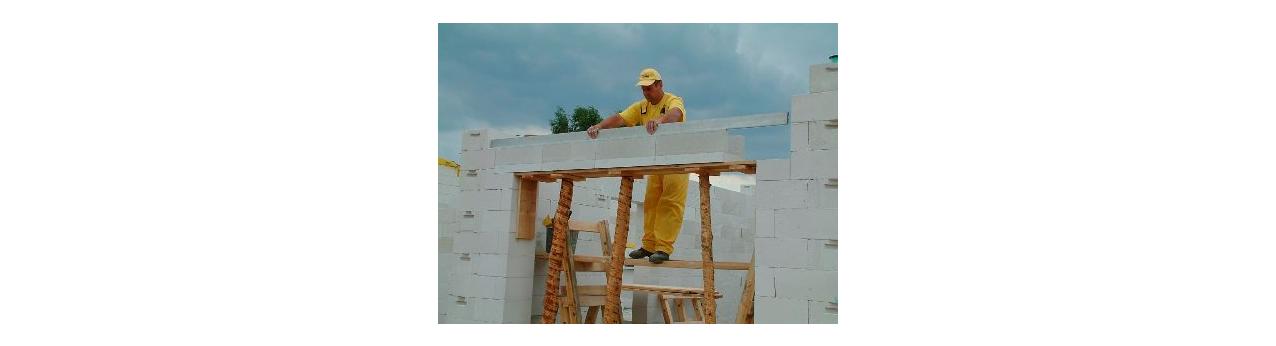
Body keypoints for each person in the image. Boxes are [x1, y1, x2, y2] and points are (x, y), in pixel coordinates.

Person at [585, 67, 687, 264]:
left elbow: (675, 114)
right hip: (657, 162)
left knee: (670, 204)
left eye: (649, 88)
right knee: (651, 202)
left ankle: (664, 248)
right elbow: (620, 118)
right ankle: (649, 246)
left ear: (660, 85)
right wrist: (599, 126)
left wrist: (660, 120)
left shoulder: (673, 100)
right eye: (643, 89)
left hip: (677, 160)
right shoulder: (642, 107)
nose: (646, 92)